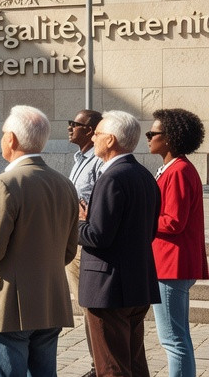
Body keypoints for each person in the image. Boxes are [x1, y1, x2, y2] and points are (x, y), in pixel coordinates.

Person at [0, 105, 79, 377]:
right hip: (49, 301)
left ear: (11, 139)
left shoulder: (5, 183)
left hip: (8, 305)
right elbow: (68, 251)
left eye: (3, 134)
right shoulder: (65, 184)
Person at [78, 109, 160, 377]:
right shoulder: (144, 175)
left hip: (109, 288)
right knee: (135, 364)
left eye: (98, 134)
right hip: (137, 282)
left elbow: (98, 236)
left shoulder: (112, 176)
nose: (94, 139)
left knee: (111, 366)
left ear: (111, 140)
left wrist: (77, 222)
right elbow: (147, 231)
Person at [145, 108, 207, 377]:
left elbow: (173, 221)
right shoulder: (173, 168)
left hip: (171, 264)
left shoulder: (179, 170)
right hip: (169, 263)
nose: (148, 138)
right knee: (177, 337)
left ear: (169, 138)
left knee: (173, 339)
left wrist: (140, 220)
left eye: (153, 133)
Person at [64, 109, 102, 303]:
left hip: (86, 241)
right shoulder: (79, 158)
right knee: (83, 303)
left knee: (89, 305)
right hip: (74, 236)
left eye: (75, 124)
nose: (70, 128)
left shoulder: (98, 160)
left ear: (89, 131)